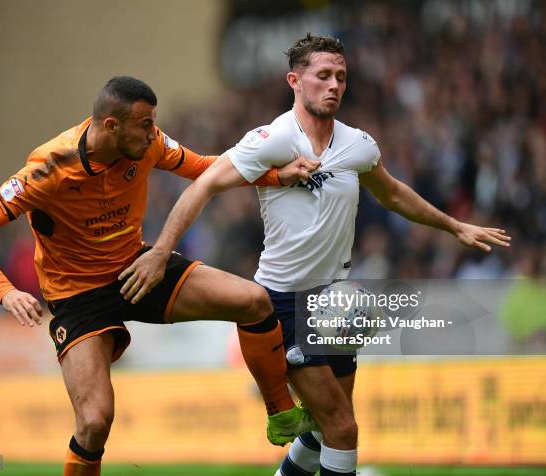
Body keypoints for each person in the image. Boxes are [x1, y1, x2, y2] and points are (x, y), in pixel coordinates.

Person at [120, 35, 512, 476]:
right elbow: (205, 183)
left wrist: (454, 225)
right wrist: (160, 252)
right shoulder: (272, 140)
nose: (334, 86)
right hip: (284, 302)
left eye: (340, 77)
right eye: (323, 75)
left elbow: (395, 194)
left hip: (335, 302)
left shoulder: (358, 144)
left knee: (328, 430)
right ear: (295, 81)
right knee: (343, 429)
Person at [0, 76, 321, 476]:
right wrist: (5, 292)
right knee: (94, 423)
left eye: (152, 123)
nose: (153, 133)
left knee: (254, 301)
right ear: (112, 126)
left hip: (136, 268)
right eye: (144, 124)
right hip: (77, 297)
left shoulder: (150, 143)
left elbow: (204, 169)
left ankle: (281, 412)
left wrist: (275, 176)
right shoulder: (51, 168)